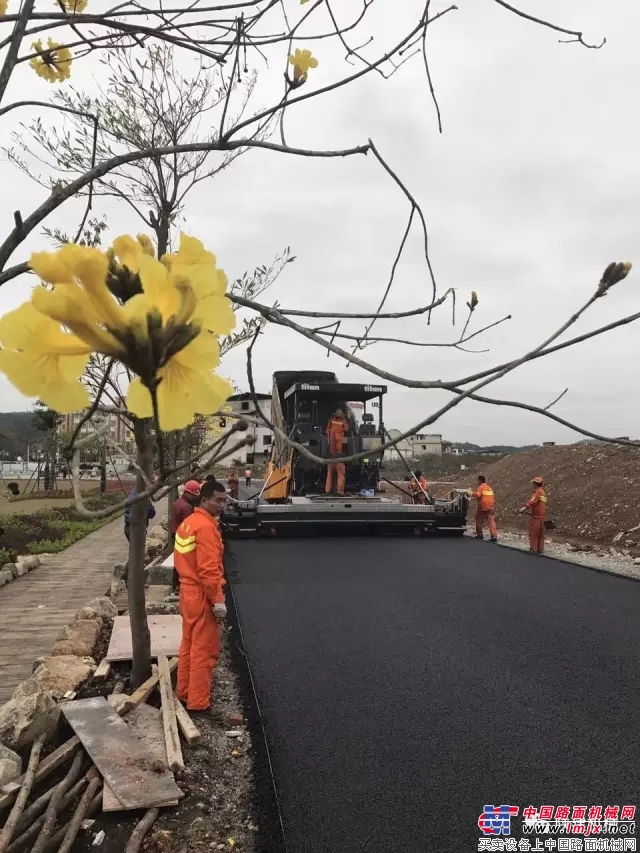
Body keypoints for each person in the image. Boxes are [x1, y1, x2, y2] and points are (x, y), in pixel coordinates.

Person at [174, 480, 228, 715]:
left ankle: (184, 692)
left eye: (224, 500)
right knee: (204, 650)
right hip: (200, 594)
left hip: (187, 592)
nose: (222, 505)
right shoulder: (205, 528)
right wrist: (217, 600)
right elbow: (208, 570)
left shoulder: (189, 523)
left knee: (188, 644)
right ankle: (198, 703)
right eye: (218, 500)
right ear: (204, 500)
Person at [520, 475, 547, 554]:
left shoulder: (538, 492)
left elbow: (533, 502)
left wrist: (524, 508)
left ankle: (533, 550)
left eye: (533, 483)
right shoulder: (543, 493)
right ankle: (540, 550)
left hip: (536, 518)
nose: (532, 485)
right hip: (542, 517)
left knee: (534, 534)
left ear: (535, 484)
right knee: (540, 535)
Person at [325, 409, 349, 496]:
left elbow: (327, 431)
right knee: (341, 473)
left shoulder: (331, 420)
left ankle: (328, 490)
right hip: (340, 456)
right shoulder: (343, 421)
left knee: (330, 473)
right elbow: (347, 431)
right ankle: (340, 491)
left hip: (331, 456)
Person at [472, 475, 497, 542]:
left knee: (479, 520)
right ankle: (494, 536)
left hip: (482, 508)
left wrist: (471, 493)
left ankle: (480, 535)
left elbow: (478, 495)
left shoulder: (481, 487)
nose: (477, 482)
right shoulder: (489, 487)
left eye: (478, 481)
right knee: (491, 522)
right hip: (491, 507)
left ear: (480, 480)